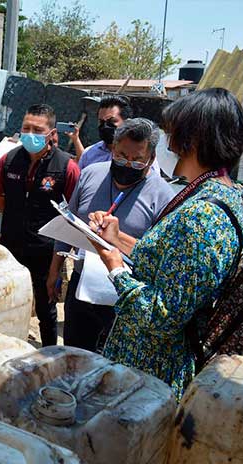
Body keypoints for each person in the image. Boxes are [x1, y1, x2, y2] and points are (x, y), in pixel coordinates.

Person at [89, 88, 243, 399]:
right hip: (154, 367)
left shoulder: (202, 215)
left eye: (172, 133)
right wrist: (118, 238)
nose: (167, 143)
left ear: (194, 140)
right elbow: (172, 263)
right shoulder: (226, 192)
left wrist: (117, 269)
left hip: (151, 374)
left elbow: (163, 315)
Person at [47, 118, 175, 352]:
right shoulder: (90, 174)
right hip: (81, 286)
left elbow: (158, 256)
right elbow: (70, 224)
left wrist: (120, 240)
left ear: (152, 160)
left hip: (124, 294)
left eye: (137, 161)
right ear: (113, 148)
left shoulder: (164, 196)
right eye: (121, 156)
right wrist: (54, 270)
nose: (127, 165)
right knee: (75, 355)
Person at [0, 103, 81, 346]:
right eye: (25, 128)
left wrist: (57, 265)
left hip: (46, 253)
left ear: (52, 134)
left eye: (37, 129)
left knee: (46, 308)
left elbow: (74, 216)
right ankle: (4, 347)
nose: (30, 134)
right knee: (4, 302)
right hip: (11, 247)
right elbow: (2, 200)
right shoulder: (8, 161)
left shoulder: (66, 167)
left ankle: (50, 354)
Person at [75, 95, 133, 169]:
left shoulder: (137, 155)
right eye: (101, 121)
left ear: (126, 122)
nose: (105, 126)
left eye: (112, 121)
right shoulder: (89, 154)